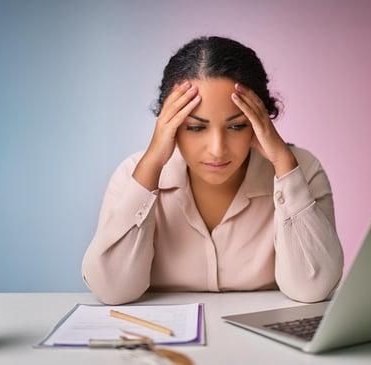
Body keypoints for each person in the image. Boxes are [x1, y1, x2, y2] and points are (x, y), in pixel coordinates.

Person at [82, 36, 343, 305]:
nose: (217, 149)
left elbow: (313, 288)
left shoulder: (303, 169)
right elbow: (111, 289)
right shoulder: (132, 175)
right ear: (170, 125)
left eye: (237, 126)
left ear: (260, 121)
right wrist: (151, 166)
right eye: (195, 128)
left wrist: (284, 165)